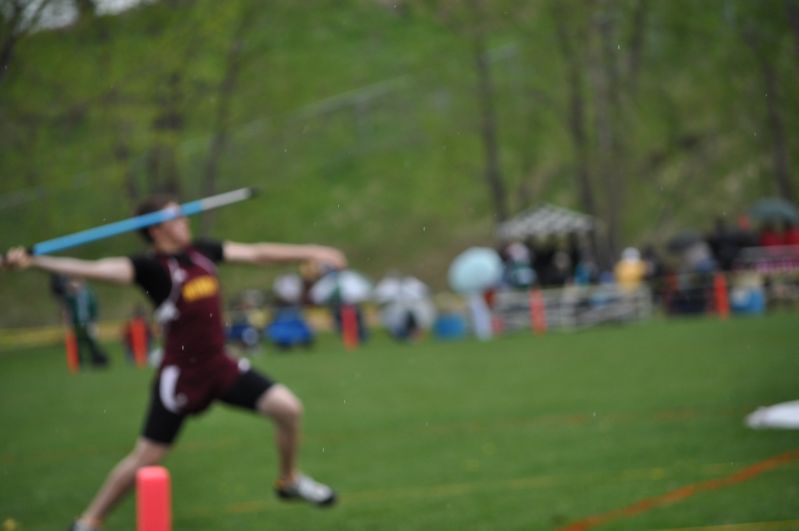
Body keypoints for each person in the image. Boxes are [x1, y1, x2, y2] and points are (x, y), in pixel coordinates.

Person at [3, 195, 346, 531]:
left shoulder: (204, 252)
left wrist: (312, 250)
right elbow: (95, 269)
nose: (185, 221)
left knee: (288, 409)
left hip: (220, 367)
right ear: (155, 230)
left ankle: (289, 481)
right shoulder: (150, 269)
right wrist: (36, 261)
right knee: (146, 458)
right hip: (182, 377)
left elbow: (258, 252)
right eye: (175, 217)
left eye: (183, 215)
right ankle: (89, 521)